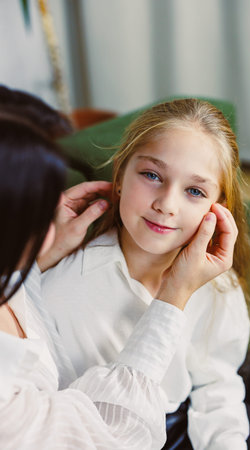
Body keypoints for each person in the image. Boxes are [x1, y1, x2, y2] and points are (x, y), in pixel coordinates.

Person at [0, 102, 237, 449]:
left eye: (195, 191)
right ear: (120, 178)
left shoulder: (221, 290)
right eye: (151, 175)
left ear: (219, 209)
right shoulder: (64, 282)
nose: (167, 204)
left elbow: (218, 383)